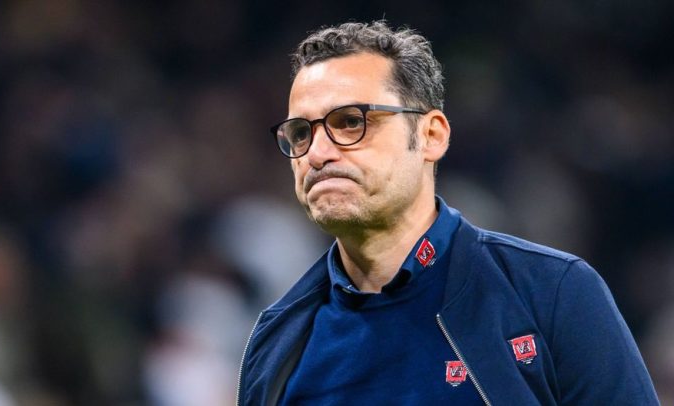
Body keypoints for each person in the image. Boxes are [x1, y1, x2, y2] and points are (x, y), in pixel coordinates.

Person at [237, 21, 659, 405]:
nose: (317, 153)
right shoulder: (278, 342)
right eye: (300, 133)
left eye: (350, 122)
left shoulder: (552, 294)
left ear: (431, 135)